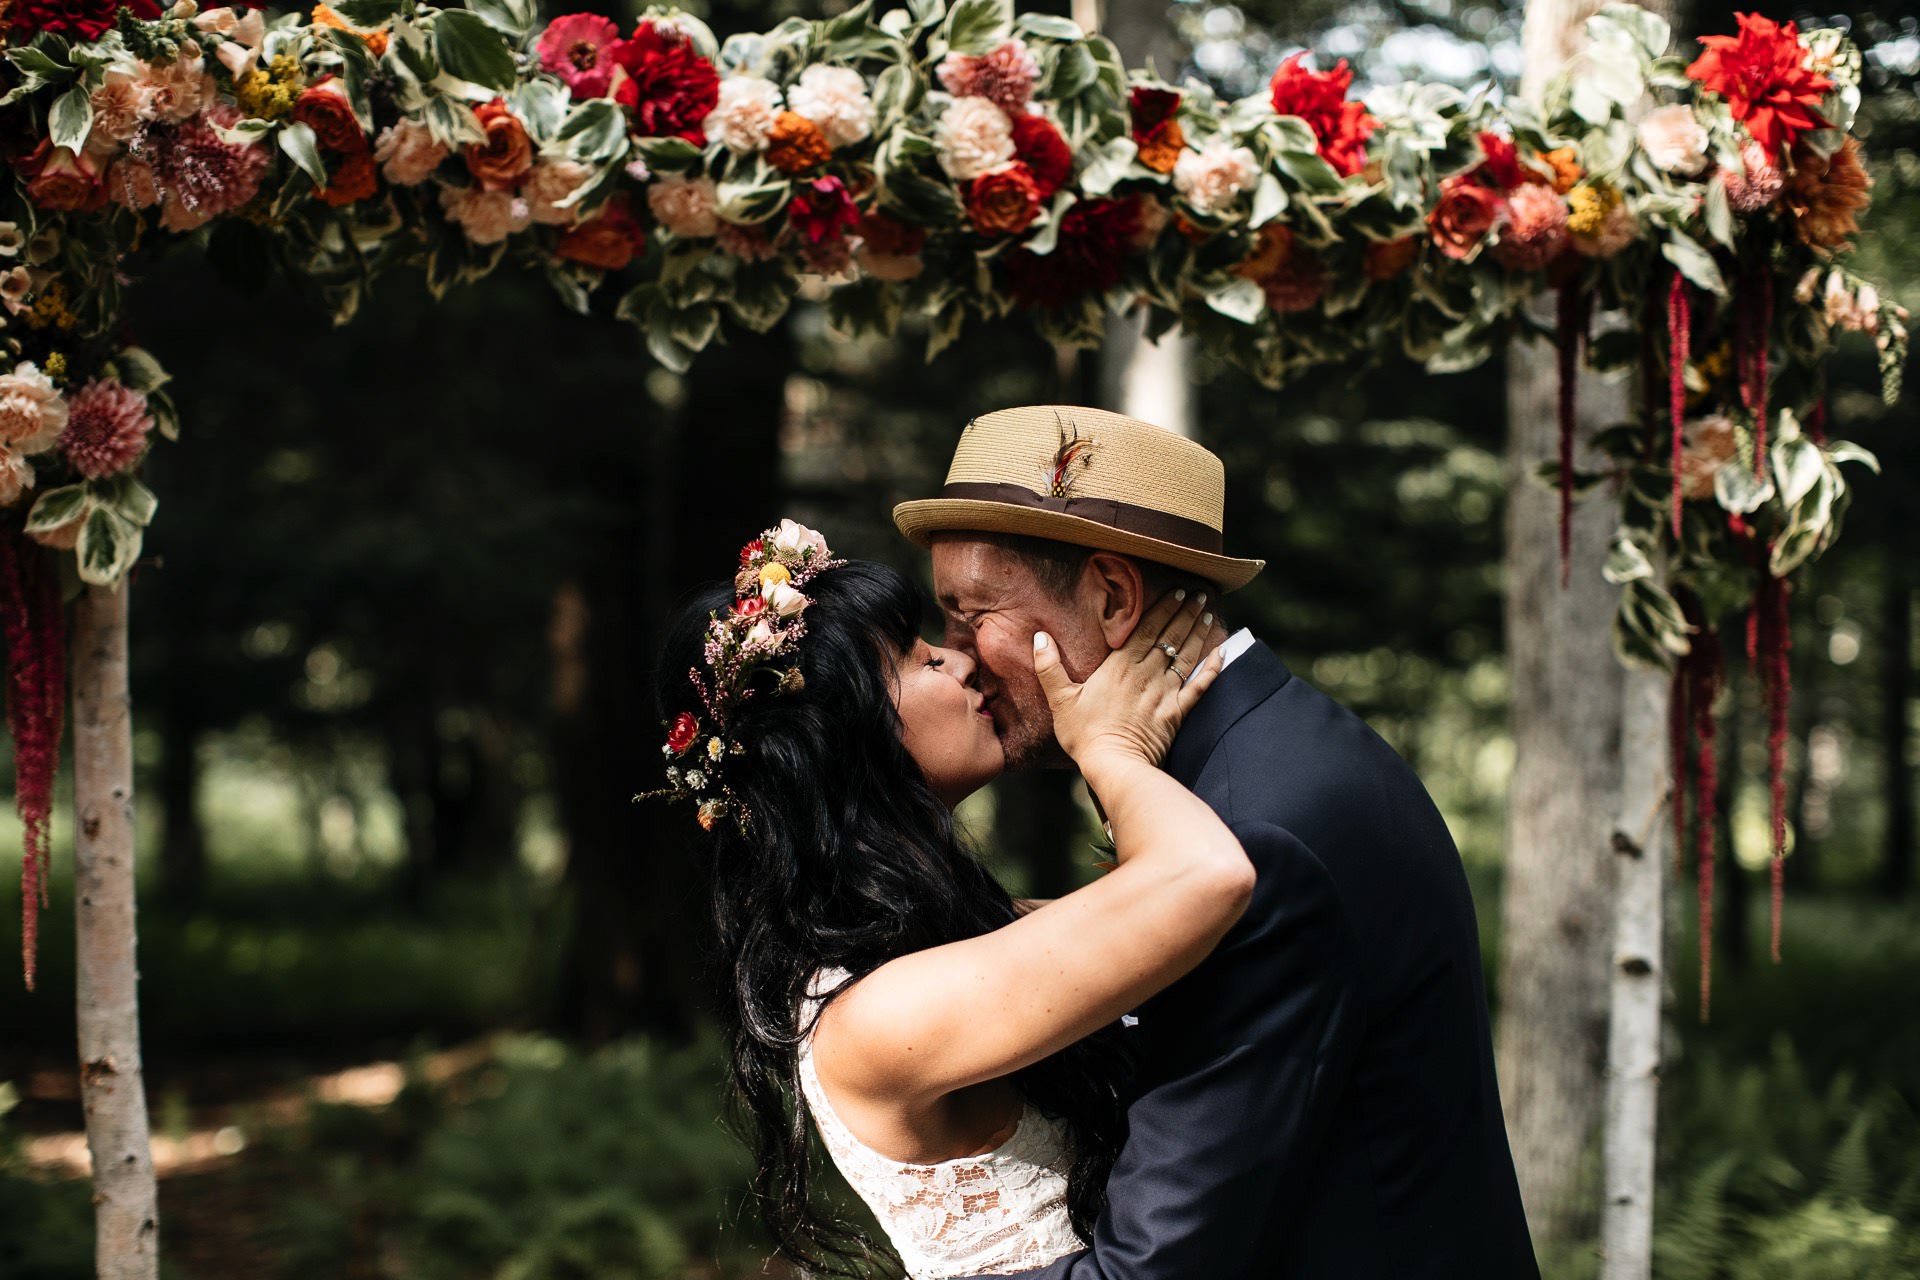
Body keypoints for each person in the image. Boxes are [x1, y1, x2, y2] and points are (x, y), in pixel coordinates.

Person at [893, 405, 1540, 1278]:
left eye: (972, 612)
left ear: (1112, 598)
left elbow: (1153, 1268)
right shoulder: (1251, 757)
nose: (960, 657)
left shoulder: (1253, 835)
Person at [651, 517, 1249, 1279]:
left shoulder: (951, 937)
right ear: (842, 741)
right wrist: (1108, 750)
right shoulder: (872, 1015)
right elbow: (1208, 876)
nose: (963, 662)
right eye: (917, 657)